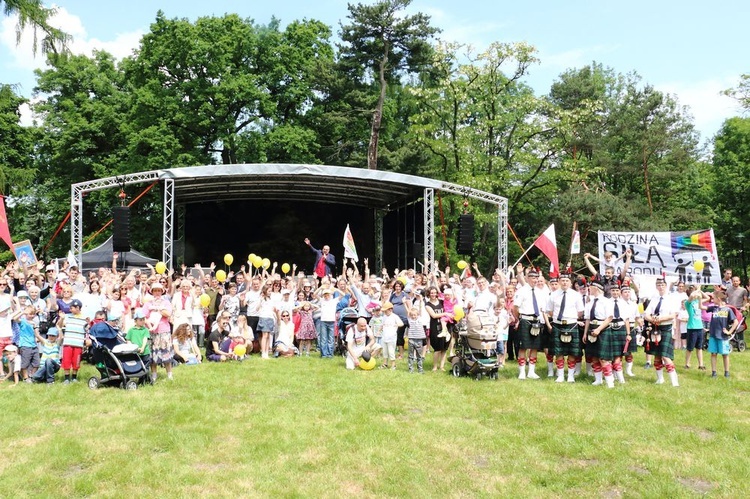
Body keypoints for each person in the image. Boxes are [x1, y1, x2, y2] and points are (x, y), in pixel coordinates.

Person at [545, 273, 584, 383]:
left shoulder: (576, 295)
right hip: (558, 325)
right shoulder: (553, 295)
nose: (564, 282)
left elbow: (580, 312)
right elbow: (550, 311)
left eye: (567, 281)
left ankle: (570, 376)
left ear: (570, 282)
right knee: (558, 352)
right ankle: (560, 375)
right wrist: (559, 318)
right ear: (559, 282)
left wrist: (570, 317)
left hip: (572, 324)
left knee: (572, 352)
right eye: (562, 280)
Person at [643, 277, 680, 387]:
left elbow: (674, 314)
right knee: (657, 356)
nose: (661, 287)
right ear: (656, 286)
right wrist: (652, 319)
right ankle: (660, 379)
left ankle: (674, 381)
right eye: (658, 285)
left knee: (665, 356)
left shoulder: (671, 298)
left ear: (666, 286)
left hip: (665, 328)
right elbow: (646, 314)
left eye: (662, 285)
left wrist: (661, 319)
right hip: (655, 329)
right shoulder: (654, 299)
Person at [513, 270, 546, 380]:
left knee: (535, 347)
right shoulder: (521, 291)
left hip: (536, 320)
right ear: (527, 278)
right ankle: (522, 372)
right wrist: (519, 319)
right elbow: (515, 308)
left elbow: (542, 308)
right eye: (532, 278)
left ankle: (531, 371)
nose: (535, 280)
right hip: (525, 319)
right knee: (523, 347)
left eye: (536, 278)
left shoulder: (540, 291)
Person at [584, 281, 614, 387]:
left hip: (603, 328)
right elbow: (587, 319)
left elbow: (609, 318)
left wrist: (599, 329)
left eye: (590, 287)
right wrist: (585, 334)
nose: (589, 289)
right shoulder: (589, 302)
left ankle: (610, 382)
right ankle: (598, 380)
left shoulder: (607, 302)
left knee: (603, 357)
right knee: (594, 356)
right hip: (591, 328)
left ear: (596, 288)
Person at [144, 282, 174, 382]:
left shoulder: (166, 302)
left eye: (159, 290)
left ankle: (169, 375)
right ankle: (154, 375)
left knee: (166, 354)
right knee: (153, 356)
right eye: (155, 290)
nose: (157, 293)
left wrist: (158, 308)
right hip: (152, 331)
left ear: (162, 292)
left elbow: (168, 313)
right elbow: (144, 316)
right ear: (152, 292)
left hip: (164, 330)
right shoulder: (148, 303)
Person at [706, 289, 738, 378]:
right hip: (713, 335)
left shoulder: (728, 310)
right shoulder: (714, 308)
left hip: (723, 336)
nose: (712, 300)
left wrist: (729, 332)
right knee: (713, 353)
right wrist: (699, 291)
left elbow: (735, 322)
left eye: (714, 298)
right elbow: (701, 306)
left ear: (719, 299)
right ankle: (714, 372)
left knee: (725, 354)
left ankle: (726, 372)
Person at [56, 298, 88, 384]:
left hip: (78, 343)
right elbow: (59, 325)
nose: (70, 309)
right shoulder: (67, 316)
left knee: (76, 361)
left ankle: (74, 377)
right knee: (66, 360)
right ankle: (66, 378)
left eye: (72, 307)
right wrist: (61, 318)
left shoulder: (85, 318)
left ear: (78, 308)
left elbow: (87, 330)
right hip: (68, 342)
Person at [424, 286, 450, 371]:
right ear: (429, 294)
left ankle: (441, 366)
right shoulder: (427, 305)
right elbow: (434, 315)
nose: (433, 294)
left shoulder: (442, 302)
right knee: (437, 348)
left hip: (446, 326)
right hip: (435, 327)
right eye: (431, 293)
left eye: (435, 292)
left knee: (444, 348)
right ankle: (435, 366)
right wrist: (445, 313)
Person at [684, 289, 707, 370]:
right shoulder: (687, 303)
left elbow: (707, 298)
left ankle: (701, 364)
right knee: (690, 348)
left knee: (699, 347)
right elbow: (691, 297)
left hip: (700, 327)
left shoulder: (698, 302)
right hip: (692, 328)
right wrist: (695, 292)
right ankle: (687, 363)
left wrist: (700, 291)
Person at [404, 297, 427, 373]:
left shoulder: (420, 319)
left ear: (418, 315)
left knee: (419, 356)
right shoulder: (410, 320)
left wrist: (421, 301)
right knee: (410, 355)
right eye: (412, 315)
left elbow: (420, 310)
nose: (414, 316)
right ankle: (411, 369)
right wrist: (404, 303)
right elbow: (408, 311)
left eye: (415, 315)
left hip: (419, 339)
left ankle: (420, 369)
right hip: (411, 339)